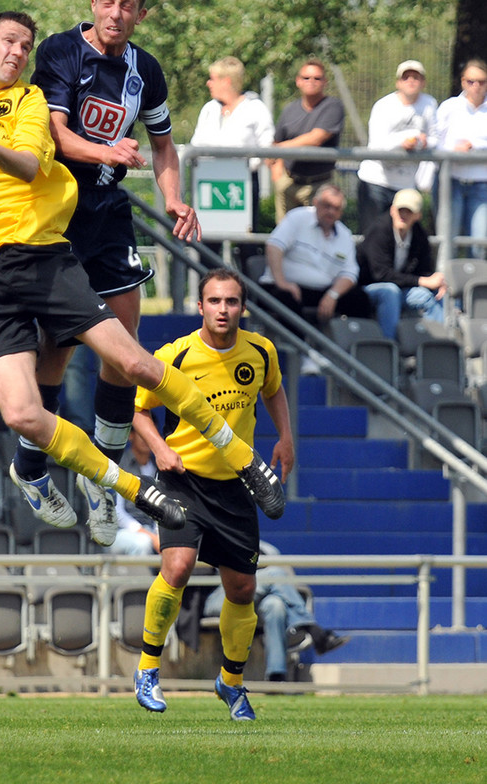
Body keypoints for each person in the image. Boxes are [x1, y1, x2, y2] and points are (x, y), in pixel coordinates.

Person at [0, 11, 282, 552]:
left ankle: (244, 460)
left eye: (26, 45)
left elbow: (29, 167)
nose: (18, 52)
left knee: (132, 362)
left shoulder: (29, 101)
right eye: (9, 42)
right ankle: (125, 487)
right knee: (21, 412)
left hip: (40, 259)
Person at [30, 0, 201, 546]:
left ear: (141, 14)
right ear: (94, 4)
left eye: (128, 5)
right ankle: (32, 470)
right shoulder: (60, 53)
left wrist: (174, 199)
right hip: (58, 212)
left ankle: (104, 483)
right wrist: (107, 149)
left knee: (125, 351)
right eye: (108, 2)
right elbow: (55, 135)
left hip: (108, 214)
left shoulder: (144, 70)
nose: (116, 13)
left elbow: (163, 145)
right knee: (54, 350)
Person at [131, 268, 294, 721]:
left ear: (243, 307)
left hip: (238, 485)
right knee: (178, 566)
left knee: (242, 589)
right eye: (215, 301)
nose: (224, 310)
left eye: (232, 302)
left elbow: (274, 391)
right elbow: (138, 410)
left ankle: (232, 682)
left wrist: (285, 437)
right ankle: (147, 668)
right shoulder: (176, 355)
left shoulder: (260, 351)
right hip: (183, 481)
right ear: (200, 306)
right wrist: (160, 448)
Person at [259, 184, 372, 370]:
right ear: (315, 203)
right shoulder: (298, 218)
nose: (330, 211)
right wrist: (282, 282)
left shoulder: (344, 234)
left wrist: (333, 295)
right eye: (326, 205)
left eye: (336, 208)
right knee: (286, 298)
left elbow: (350, 273)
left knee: (361, 299)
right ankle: (305, 354)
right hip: (282, 285)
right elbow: (274, 246)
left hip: (323, 291)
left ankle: (356, 357)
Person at [203, 541, 349, 682]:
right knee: (274, 574)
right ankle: (312, 628)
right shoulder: (221, 540)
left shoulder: (269, 550)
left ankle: (276, 676)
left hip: (255, 603)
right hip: (220, 599)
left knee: (275, 605)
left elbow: (288, 583)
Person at [190, 56, 274, 265]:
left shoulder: (255, 108)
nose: (209, 83)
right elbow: (196, 143)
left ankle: (251, 296)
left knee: (246, 244)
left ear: (226, 81)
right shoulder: (209, 109)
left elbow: (267, 146)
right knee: (207, 244)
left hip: (242, 183)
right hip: (209, 181)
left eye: (213, 78)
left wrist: (244, 164)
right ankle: (207, 295)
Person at [356, 60, 437, 233]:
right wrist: (404, 141)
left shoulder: (429, 104)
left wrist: (421, 142)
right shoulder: (384, 106)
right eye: (406, 77)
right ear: (398, 82)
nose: (411, 81)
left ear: (423, 82)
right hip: (376, 182)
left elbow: (436, 139)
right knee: (372, 236)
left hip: (406, 185)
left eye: (416, 77)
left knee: (403, 236)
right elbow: (376, 145)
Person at [358, 189, 447, 339]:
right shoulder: (379, 231)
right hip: (369, 288)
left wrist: (437, 280)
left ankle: (439, 346)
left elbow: (424, 270)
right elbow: (380, 274)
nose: (403, 215)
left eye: (409, 211)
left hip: (402, 288)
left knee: (435, 294)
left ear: (418, 215)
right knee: (390, 291)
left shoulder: (419, 235)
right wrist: (423, 281)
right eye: (400, 210)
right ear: (392, 210)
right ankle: (390, 349)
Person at [268, 59, 345, 223]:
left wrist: (280, 149)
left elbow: (316, 138)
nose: (311, 82)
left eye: (317, 78)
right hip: (289, 183)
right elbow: (275, 143)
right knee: (285, 236)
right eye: (306, 78)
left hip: (319, 186)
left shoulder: (332, 106)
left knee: (316, 235)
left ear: (325, 82)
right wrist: (278, 179)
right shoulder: (290, 110)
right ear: (298, 81)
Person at [433, 59, 487, 257]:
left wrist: (475, 147)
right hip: (451, 181)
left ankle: (476, 287)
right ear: (463, 82)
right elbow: (434, 142)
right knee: (448, 240)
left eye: (482, 81)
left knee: (479, 243)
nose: (476, 87)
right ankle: (447, 287)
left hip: (482, 185)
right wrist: (453, 150)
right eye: (471, 81)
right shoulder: (449, 107)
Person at [109, 428, 160, 557]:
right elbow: (117, 513)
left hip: (151, 531)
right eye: (142, 434)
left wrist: (158, 535)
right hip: (120, 532)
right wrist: (149, 535)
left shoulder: (159, 468)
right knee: (143, 543)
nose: (146, 440)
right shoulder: (119, 465)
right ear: (131, 435)